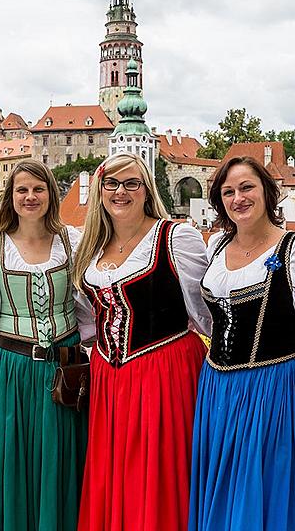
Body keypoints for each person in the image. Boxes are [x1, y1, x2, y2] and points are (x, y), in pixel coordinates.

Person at [188, 157, 295, 531]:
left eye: (247, 188)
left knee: (263, 494)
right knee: (225, 489)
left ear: (267, 192)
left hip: (273, 392)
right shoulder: (215, 247)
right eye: (228, 192)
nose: (238, 198)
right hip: (216, 391)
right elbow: (204, 315)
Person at [72, 153, 212, 531]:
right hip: (108, 380)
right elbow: (89, 319)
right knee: (114, 473)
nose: (121, 191)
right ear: (100, 191)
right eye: (112, 183)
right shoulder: (90, 249)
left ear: (146, 189)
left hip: (165, 373)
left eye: (131, 183)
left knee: (160, 473)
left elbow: (205, 315)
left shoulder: (174, 237)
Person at [0, 160, 95, 531]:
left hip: (63, 371)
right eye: (22, 190)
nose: (30, 197)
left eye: (39, 189)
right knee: (13, 466)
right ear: (11, 197)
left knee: (61, 463)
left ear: (51, 194)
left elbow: (88, 309)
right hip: (11, 371)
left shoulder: (74, 240)